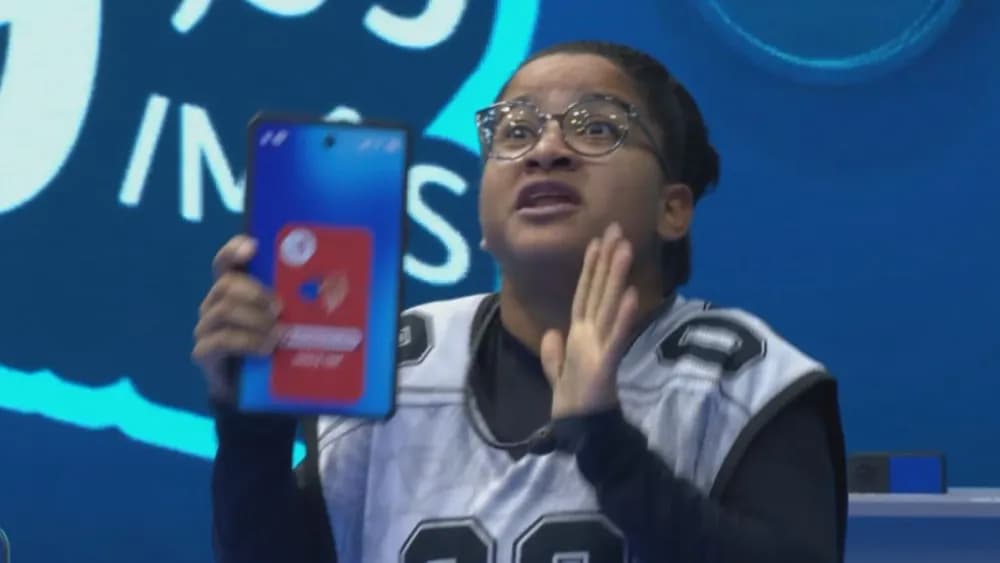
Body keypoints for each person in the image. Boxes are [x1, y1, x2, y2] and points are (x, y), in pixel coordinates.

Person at [194, 40, 847, 563]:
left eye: (597, 127)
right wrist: (251, 429)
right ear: (482, 216)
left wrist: (605, 442)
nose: (546, 151)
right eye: (514, 131)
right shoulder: (399, 363)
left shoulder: (742, 382)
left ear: (672, 209)